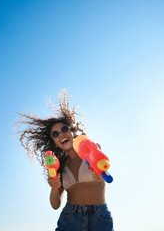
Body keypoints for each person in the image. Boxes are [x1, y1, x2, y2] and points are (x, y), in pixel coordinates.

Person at [15, 90, 113, 231]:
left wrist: (99, 174)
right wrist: (53, 185)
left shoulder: (92, 148)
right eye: (55, 134)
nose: (61, 134)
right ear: (54, 143)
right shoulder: (60, 167)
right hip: (70, 219)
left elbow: (101, 164)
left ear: (72, 132)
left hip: (99, 217)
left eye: (64, 129)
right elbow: (55, 205)